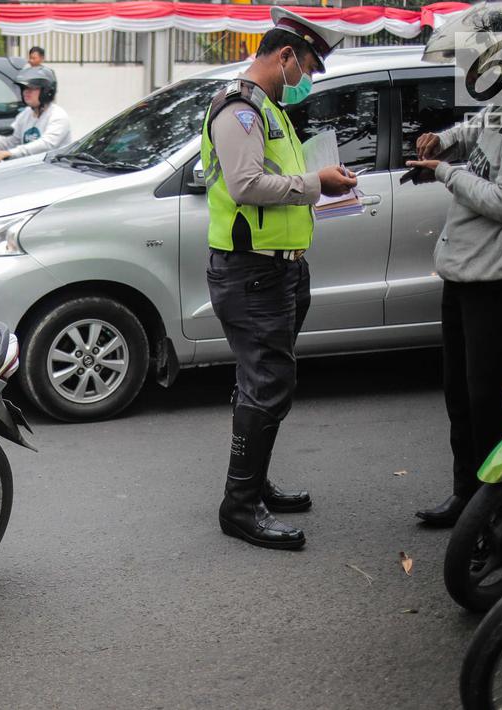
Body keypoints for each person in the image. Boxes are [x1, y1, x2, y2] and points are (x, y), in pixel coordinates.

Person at [200, 6, 357, 550]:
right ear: (285, 55)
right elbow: (245, 185)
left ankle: (254, 485)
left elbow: (276, 179)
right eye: (307, 66)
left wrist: (318, 189)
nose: (307, 79)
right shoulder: (239, 110)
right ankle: (239, 507)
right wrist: (317, 184)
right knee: (267, 385)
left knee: (263, 382)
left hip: (281, 268)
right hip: (252, 273)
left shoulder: (268, 110)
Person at [408, 5, 502, 527]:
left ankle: (494, 512)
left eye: (476, 61)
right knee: (458, 394)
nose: (470, 72)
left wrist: (446, 172)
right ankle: (465, 496)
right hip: (459, 273)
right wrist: (444, 140)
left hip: (494, 281)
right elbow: (473, 126)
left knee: (486, 400)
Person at [0, 65, 71, 162]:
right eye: (24, 88)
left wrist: (11, 153)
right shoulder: (26, 114)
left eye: (32, 88)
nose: (26, 92)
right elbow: (10, 138)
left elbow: (46, 144)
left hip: (54, 169)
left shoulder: (58, 115)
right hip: (31, 168)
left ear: (46, 91)